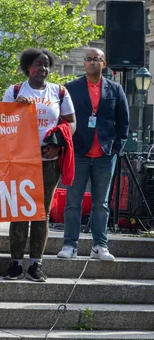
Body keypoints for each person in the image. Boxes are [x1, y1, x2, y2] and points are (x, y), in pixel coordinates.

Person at [2, 48, 76, 282]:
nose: (42, 68)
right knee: (20, 211)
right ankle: (15, 263)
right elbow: (1, 122)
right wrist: (16, 107)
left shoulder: (59, 92)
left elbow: (71, 123)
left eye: (46, 64)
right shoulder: (14, 91)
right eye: (37, 64)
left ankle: (36, 264)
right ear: (27, 68)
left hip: (49, 162)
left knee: (41, 213)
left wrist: (57, 143)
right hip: (21, 160)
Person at [57, 48, 129, 262]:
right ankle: (70, 244)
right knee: (73, 202)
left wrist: (117, 147)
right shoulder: (71, 88)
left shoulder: (115, 89)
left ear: (103, 63)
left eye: (95, 59)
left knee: (101, 203)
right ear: (84, 64)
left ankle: (100, 245)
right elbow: (63, 119)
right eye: (87, 59)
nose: (90, 63)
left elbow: (123, 122)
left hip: (105, 154)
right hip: (78, 152)